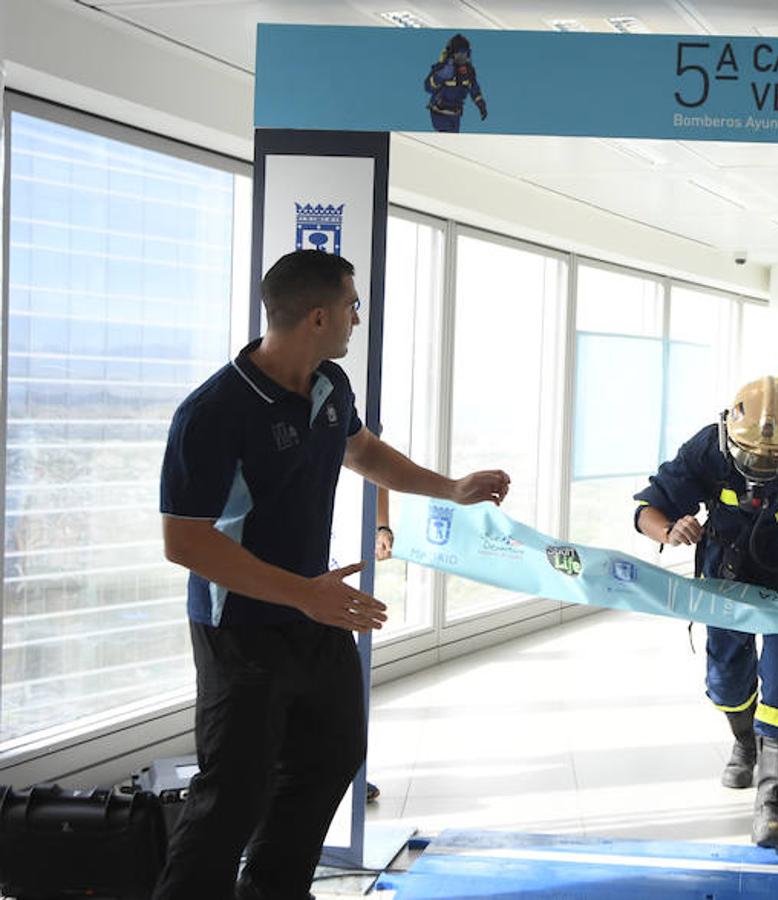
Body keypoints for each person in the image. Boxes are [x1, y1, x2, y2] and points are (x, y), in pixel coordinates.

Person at [156, 249, 510, 900]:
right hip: (240, 626)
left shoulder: (328, 386)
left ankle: (274, 891)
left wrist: (449, 488)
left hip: (313, 612)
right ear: (317, 316)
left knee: (330, 757)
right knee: (232, 795)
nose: (356, 317)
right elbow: (184, 541)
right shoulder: (212, 412)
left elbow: (363, 450)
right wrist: (304, 595)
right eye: (352, 305)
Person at [634, 375, 778, 848]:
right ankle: (745, 741)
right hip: (727, 583)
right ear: (730, 434)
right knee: (725, 681)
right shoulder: (710, 448)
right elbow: (648, 507)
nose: (761, 464)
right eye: (752, 456)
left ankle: (771, 804)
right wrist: (669, 530)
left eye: (773, 457)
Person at [424, 33, 487, 133]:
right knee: (445, 136)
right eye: (458, 55)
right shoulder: (443, 68)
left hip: (455, 114)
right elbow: (428, 87)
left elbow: (474, 89)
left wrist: (481, 104)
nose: (461, 58)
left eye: (464, 54)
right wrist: (440, 76)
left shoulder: (468, 71)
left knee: (453, 138)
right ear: (452, 54)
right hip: (439, 111)